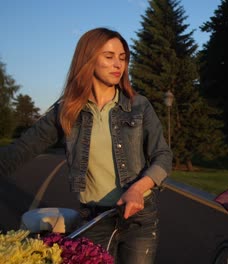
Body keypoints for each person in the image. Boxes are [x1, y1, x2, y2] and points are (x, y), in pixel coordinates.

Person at [0, 27, 172, 264]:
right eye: (109, 56)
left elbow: (163, 156)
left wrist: (137, 188)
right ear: (89, 58)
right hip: (94, 220)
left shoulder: (139, 106)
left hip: (140, 219)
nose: (118, 64)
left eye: (122, 58)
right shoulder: (66, 111)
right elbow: (21, 150)